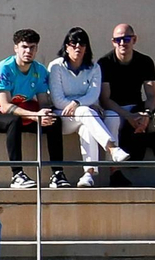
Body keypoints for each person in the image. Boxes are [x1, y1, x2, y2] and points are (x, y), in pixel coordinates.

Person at [0, 28, 66, 189]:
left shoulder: (39, 70)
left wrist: (45, 114)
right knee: (14, 120)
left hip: (24, 111)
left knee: (54, 121)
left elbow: (43, 102)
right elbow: (4, 106)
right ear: (16, 48)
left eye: (32, 47)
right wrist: (34, 116)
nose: (28, 51)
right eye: (24, 47)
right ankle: (17, 175)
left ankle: (58, 174)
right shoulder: (3, 69)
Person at [46, 27, 130, 188]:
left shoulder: (94, 68)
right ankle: (112, 149)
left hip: (85, 115)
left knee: (110, 116)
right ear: (66, 46)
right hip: (63, 116)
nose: (78, 47)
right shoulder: (56, 66)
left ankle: (88, 174)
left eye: (82, 43)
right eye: (73, 43)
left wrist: (78, 103)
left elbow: (93, 94)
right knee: (86, 111)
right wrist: (78, 104)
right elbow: (57, 100)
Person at [99, 23, 155, 185]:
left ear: (134, 39)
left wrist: (146, 114)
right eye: (118, 40)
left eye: (126, 39)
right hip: (117, 111)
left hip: (140, 110)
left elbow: (152, 95)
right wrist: (128, 116)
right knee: (111, 118)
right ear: (113, 42)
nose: (122, 43)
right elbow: (105, 100)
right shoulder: (105, 63)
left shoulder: (145, 61)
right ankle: (115, 173)